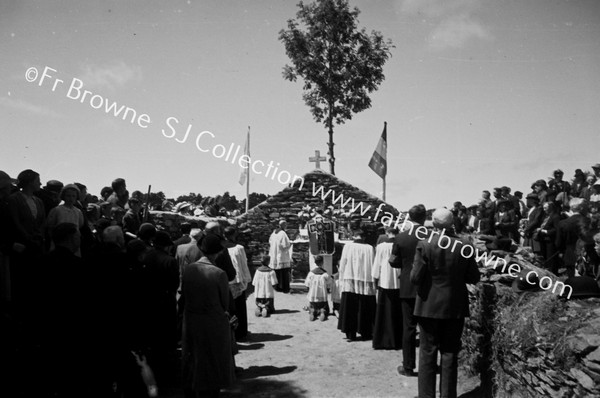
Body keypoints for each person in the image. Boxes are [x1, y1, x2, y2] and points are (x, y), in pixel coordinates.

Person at [410, 208, 480, 398]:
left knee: (427, 353)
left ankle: (426, 395)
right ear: (452, 223)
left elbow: (415, 278)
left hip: (428, 305)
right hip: (454, 305)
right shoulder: (464, 245)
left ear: (433, 223)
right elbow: (474, 277)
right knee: (450, 353)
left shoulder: (425, 244)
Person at [181, 234, 235, 398]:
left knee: (194, 358)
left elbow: (184, 295)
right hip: (213, 323)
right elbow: (224, 303)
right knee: (213, 361)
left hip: (191, 320)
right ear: (218, 253)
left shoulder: (188, 270)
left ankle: (193, 389)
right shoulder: (219, 274)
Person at [390, 204, 428, 376]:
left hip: (407, 285)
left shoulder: (401, 237)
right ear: (424, 217)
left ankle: (408, 365)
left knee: (409, 327)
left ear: (410, 218)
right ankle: (429, 366)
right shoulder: (432, 236)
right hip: (427, 286)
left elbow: (393, 261)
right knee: (429, 328)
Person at [337, 229, 376, 341]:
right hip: (365, 280)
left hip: (350, 280)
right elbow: (373, 264)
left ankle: (350, 334)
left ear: (354, 236)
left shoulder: (348, 246)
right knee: (365, 308)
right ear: (363, 237)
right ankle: (366, 332)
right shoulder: (369, 248)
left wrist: (341, 278)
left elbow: (343, 262)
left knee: (350, 308)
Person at [371, 227, 402, 350]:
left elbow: (377, 263)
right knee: (397, 311)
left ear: (387, 233)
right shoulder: (401, 244)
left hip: (385, 279)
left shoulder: (381, 247)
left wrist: (375, 278)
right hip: (399, 280)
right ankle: (397, 339)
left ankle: (383, 339)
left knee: (384, 311)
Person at [222, 226, 252, 340]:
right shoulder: (239, 248)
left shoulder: (220, 247)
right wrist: (247, 280)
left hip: (225, 280)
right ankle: (240, 332)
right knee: (239, 307)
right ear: (234, 235)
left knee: (227, 307)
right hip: (237, 280)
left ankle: (228, 333)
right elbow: (243, 264)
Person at [556, 198, 590, 278]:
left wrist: (561, 251)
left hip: (569, 255)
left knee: (572, 282)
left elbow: (558, 242)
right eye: (585, 207)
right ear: (581, 208)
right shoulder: (589, 221)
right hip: (587, 256)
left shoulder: (562, 223)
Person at [305, 255, 331, 322]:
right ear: (322, 262)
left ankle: (313, 311)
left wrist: (309, 291)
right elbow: (329, 284)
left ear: (315, 262)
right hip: (322, 297)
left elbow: (307, 284)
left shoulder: (311, 273)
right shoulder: (325, 274)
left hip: (313, 296)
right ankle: (322, 311)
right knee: (324, 307)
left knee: (311, 306)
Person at [268, 219, 292, 293]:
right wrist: (290, 244)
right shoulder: (282, 233)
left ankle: (277, 287)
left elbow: (270, 241)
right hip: (281, 255)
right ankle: (285, 288)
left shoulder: (274, 232)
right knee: (284, 273)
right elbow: (285, 245)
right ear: (283, 225)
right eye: (285, 225)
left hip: (274, 254)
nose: (286, 226)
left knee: (277, 272)